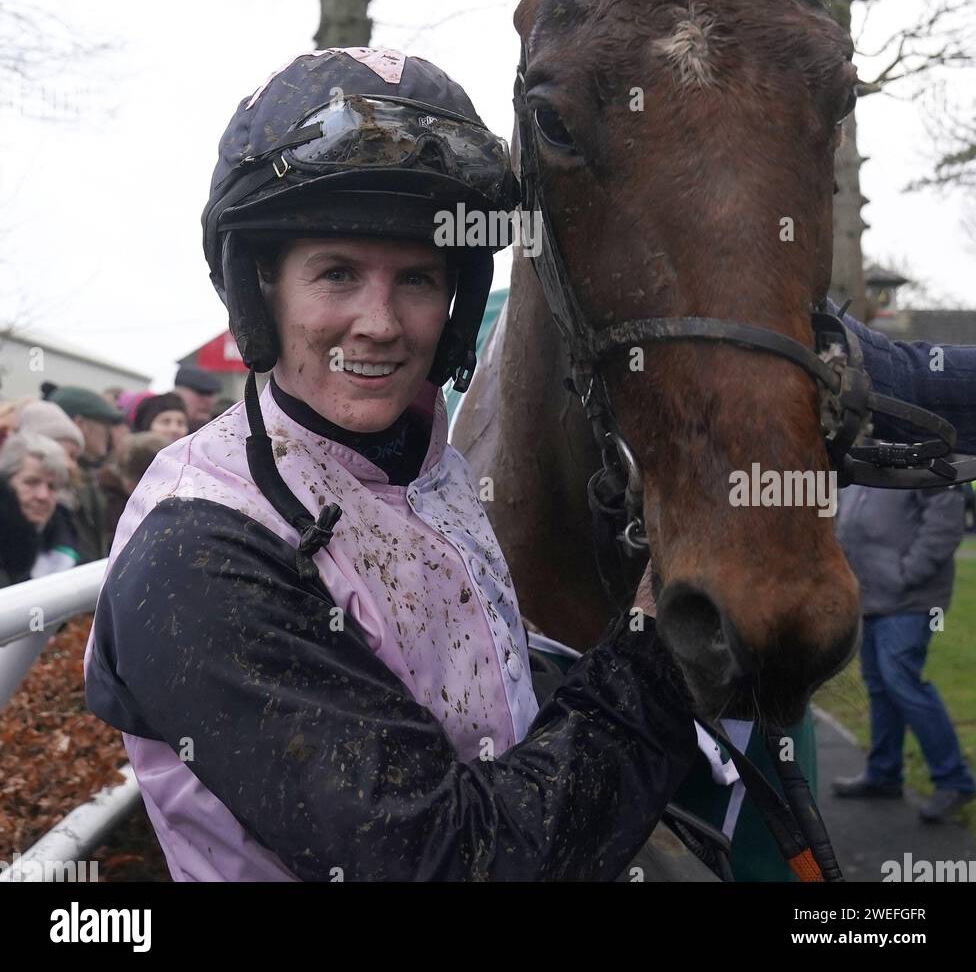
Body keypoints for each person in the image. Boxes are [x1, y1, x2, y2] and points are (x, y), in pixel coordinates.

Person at [84, 47, 690, 883]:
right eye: (337, 274)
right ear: (262, 291)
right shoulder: (197, 557)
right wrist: (659, 641)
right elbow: (459, 863)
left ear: (456, 303)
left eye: (415, 279)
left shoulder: (420, 463)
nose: (380, 324)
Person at [832, 478, 975, 822]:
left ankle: (954, 779)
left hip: (910, 598)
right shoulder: (866, 450)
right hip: (870, 597)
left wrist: (906, 573)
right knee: (880, 687)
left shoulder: (923, 450)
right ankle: (884, 774)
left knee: (902, 683)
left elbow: (946, 520)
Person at [46, 386, 126, 562]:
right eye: (105, 424)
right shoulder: (54, 483)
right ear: (80, 424)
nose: (110, 433)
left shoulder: (92, 479)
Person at [0, 432, 79, 586]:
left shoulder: (66, 539)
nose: (43, 496)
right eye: (31, 482)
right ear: (5, 483)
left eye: (52, 487)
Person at [172, 366, 222, 433]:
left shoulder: (222, 430)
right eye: (201, 392)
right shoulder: (162, 433)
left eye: (210, 394)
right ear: (178, 394)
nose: (208, 401)